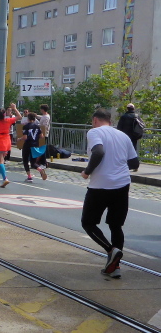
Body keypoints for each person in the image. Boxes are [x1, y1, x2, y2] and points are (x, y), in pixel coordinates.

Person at [80, 108, 139, 279]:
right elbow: (134, 163)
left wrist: (87, 171)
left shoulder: (94, 132)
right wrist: (117, 166)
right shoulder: (123, 135)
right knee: (116, 226)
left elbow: (98, 152)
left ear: (95, 120)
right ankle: (115, 267)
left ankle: (111, 250)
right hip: (122, 184)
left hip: (100, 185)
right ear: (110, 121)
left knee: (88, 223)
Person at [0, 104, 22, 187]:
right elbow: (19, 117)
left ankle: (5, 178)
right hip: (7, 141)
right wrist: (14, 108)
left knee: (0, 162)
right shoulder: (8, 120)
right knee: (1, 161)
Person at [22, 112, 48, 182]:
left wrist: (19, 139)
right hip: (35, 145)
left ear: (28, 118)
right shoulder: (37, 127)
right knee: (33, 162)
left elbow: (25, 137)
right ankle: (40, 169)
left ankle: (29, 177)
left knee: (25, 161)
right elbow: (41, 136)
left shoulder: (26, 126)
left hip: (27, 145)